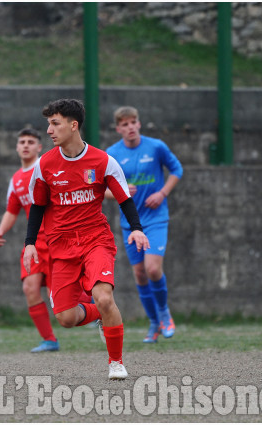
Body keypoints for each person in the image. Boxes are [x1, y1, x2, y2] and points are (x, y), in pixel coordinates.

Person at [23, 99, 149, 380]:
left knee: (104, 296)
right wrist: (30, 242)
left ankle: (116, 362)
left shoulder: (103, 161)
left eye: (54, 123)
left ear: (73, 125)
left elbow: (123, 198)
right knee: (66, 318)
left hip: (95, 240)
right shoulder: (45, 165)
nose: (49, 130)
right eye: (49, 124)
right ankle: (103, 316)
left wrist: (137, 228)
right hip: (61, 245)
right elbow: (38, 206)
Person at [105, 106, 183, 343]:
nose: (130, 127)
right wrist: (119, 192)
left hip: (156, 219)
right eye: (124, 124)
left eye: (133, 122)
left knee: (152, 269)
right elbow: (99, 189)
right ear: (118, 128)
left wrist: (162, 193)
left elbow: (177, 169)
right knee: (139, 274)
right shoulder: (111, 154)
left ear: (139, 124)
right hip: (131, 223)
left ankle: (164, 314)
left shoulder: (156, 146)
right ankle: (153, 324)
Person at [0, 128, 61, 353]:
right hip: (34, 244)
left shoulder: (47, 168)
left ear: (39, 147)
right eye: (21, 141)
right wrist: (1, 230)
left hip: (58, 240)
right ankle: (49, 340)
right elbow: (12, 210)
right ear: (16, 147)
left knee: (61, 302)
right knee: (29, 288)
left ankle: (96, 311)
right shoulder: (16, 179)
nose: (25, 145)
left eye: (31, 142)